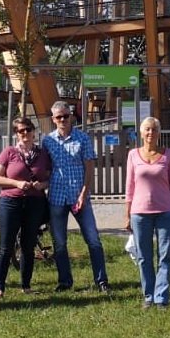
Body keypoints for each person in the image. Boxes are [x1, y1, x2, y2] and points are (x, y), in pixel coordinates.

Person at [44, 100, 110, 293]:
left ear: (71, 116)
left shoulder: (82, 138)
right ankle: (65, 281)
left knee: (93, 239)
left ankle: (101, 280)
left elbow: (89, 167)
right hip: (56, 197)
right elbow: (45, 168)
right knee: (60, 242)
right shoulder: (48, 141)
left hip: (79, 196)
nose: (63, 119)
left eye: (66, 116)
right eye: (59, 117)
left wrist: (84, 193)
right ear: (53, 119)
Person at [0, 116, 51, 298]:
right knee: (6, 245)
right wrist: (17, 184)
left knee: (28, 245)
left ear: (34, 131)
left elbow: (48, 177)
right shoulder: (9, 152)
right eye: (20, 131)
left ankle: (26, 285)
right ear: (16, 134)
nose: (25, 133)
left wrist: (43, 185)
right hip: (11, 202)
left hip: (34, 202)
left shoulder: (42, 154)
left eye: (28, 129)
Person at [125, 117, 170, 309]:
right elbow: (129, 187)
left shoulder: (169, 155)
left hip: (165, 211)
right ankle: (148, 295)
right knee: (144, 256)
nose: (151, 133)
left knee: (165, 255)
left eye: (154, 129)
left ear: (159, 133)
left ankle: (161, 297)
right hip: (139, 213)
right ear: (141, 133)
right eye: (147, 129)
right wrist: (127, 214)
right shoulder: (133, 155)